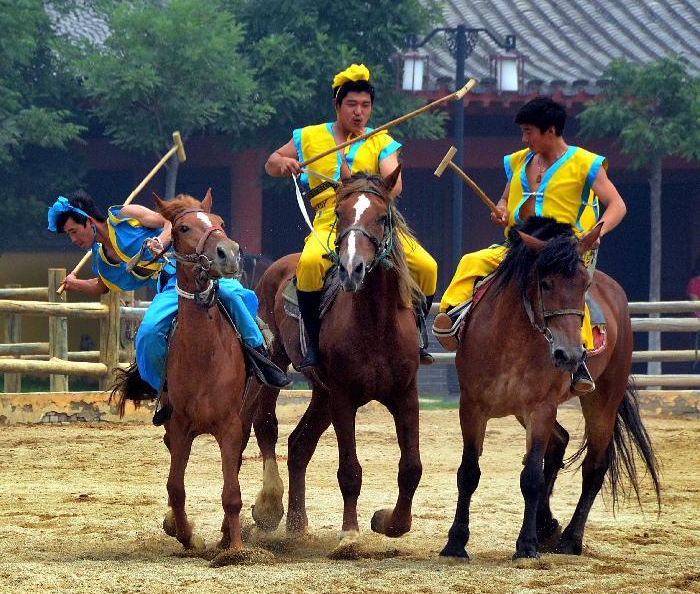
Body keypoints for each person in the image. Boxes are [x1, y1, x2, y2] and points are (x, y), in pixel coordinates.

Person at [433, 97, 628, 394]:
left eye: (529, 132)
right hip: (520, 248)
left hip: (563, 253)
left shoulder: (585, 163)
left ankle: (580, 362)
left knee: (573, 295)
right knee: (472, 261)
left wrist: (598, 230)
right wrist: (500, 210)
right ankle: (454, 318)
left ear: (550, 131)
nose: (524, 139)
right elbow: (505, 198)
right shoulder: (519, 161)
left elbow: (617, 204)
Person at [48, 191, 288, 425]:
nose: (73, 239)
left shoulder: (123, 215)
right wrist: (75, 284)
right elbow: (102, 286)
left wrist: (159, 242)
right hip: (170, 288)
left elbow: (166, 221)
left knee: (234, 296)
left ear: (89, 222)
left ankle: (261, 358)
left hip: (193, 268)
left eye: (73, 231)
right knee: (149, 332)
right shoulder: (101, 259)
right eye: (68, 235)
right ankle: (166, 392)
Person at [264, 63, 438, 368]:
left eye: (365, 105)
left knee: (427, 266)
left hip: (373, 220)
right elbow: (272, 162)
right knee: (308, 264)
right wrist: (285, 164)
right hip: (330, 218)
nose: (359, 112)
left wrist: (374, 184)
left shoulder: (381, 140)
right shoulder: (309, 137)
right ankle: (315, 344)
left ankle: (418, 335)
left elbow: (394, 186)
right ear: (337, 105)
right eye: (352, 105)